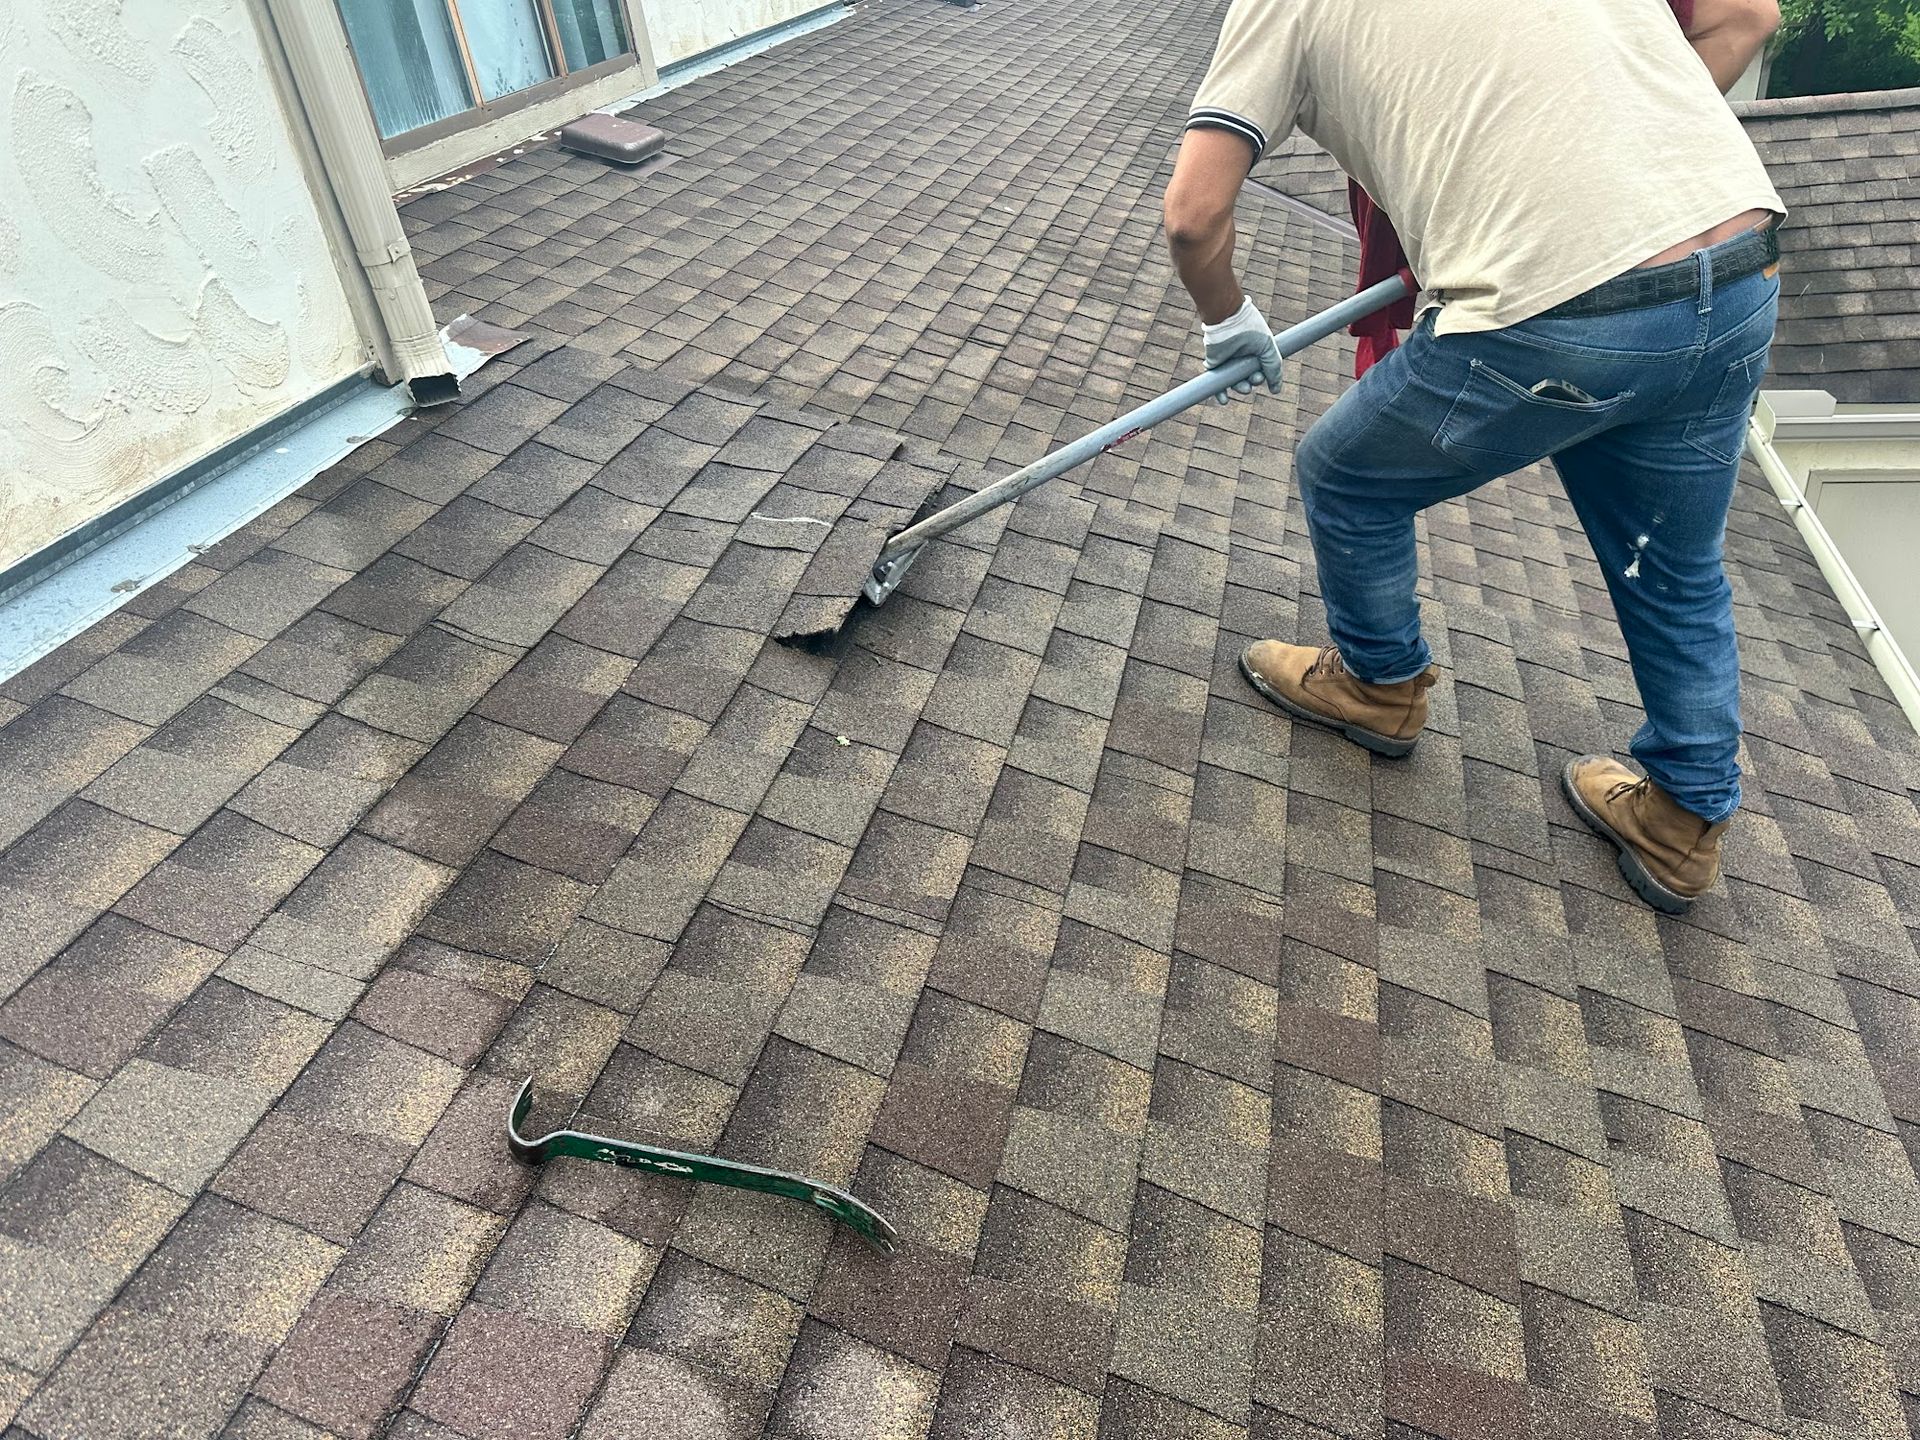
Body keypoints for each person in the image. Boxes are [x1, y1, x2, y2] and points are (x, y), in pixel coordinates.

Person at [1165, 0, 1785, 914]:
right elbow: (1744, 17)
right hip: (1739, 269)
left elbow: (1194, 214)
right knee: (1673, 564)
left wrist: (1227, 320)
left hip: (1565, 315)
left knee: (1345, 474)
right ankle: (1682, 819)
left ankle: (1379, 685)